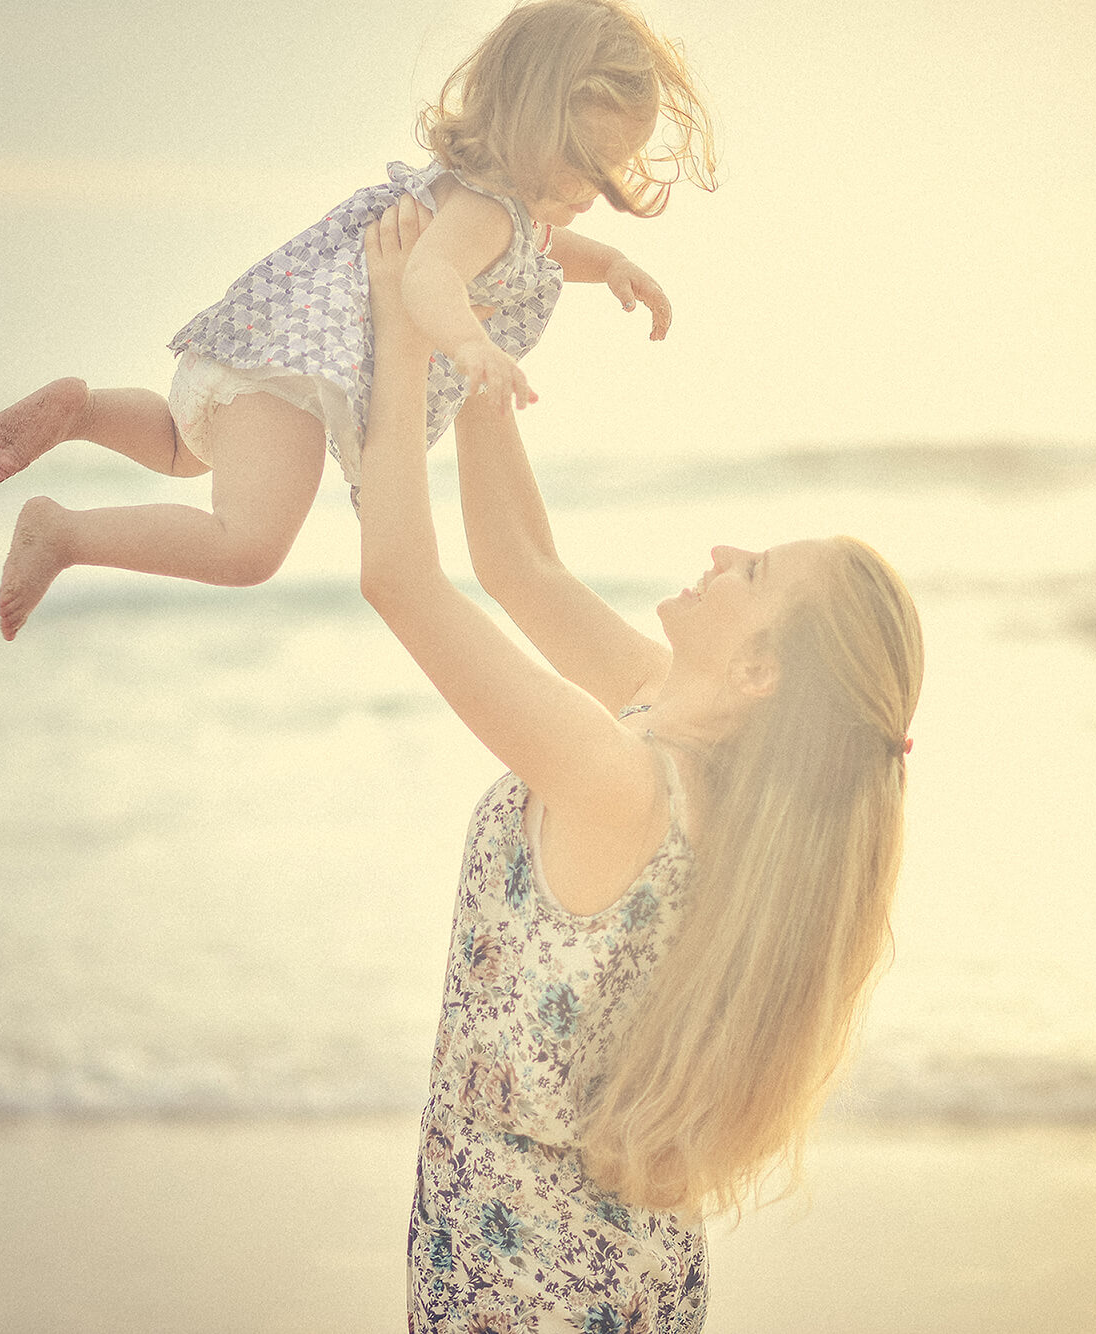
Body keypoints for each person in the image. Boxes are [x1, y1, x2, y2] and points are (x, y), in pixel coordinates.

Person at [357, 198, 923, 1331]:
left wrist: (400, 333)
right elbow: (519, 563)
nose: (720, 551)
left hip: (525, 1288)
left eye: (752, 570)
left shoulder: (619, 776)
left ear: (761, 672)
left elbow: (401, 581)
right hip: (611, 1268)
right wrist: (479, 348)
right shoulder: (671, 730)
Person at [0, 0, 715, 640]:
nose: (599, 185)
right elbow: (428, 277)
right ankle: (63, 533)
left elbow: (545, 248)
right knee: (247, 549)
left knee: (182, 445)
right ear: (532, 126)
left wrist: (611, 262)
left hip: (260, 345)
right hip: (299, 372)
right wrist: (470, 345)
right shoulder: (487, 211)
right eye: (589, 163)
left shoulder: (490, 199)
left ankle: (86, 411)